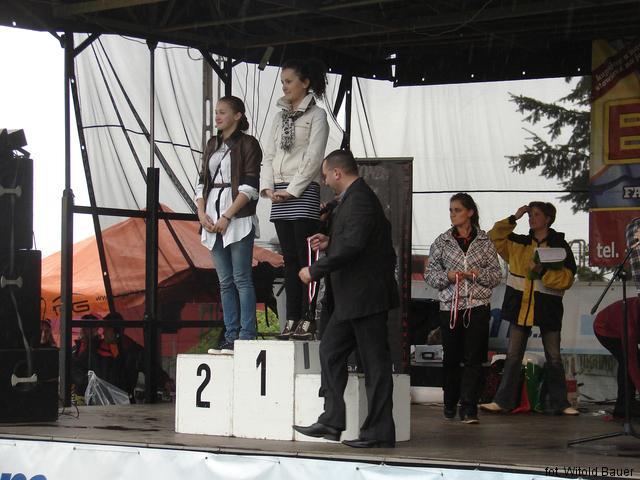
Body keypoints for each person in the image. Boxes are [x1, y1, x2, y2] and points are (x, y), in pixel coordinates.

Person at [293, 149, 398, 448]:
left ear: (337, 172)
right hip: (352, 298)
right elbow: (355, 240)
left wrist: (315, 270)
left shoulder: (361, 199)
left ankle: (379, 432)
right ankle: (332, 419)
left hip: (367, 296)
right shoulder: (351, 200)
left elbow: (353, 246)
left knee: (375, 365)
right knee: (329, 351)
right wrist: (330, 242)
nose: (325, 181)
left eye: (326, 175)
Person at [480, 202, 579, 415]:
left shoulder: (560, 247)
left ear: (548, 219)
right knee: (513, 356)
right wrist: (514, 217)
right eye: (529, 215)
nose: (531, 218)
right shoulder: (518, 242)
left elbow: (568, 279)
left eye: (536, 214)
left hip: (548, 308)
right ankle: (502, 401)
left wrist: (542, 271)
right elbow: (493, 237)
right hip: (520, 307)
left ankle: (561, 404)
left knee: (554, 357)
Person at [259, 58, 330, 339]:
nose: (284, 87)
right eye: (282, 82)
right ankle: (291, 318)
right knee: (288, 258)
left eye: (289, 81)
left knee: (305, 257)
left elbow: (314, 157)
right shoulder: (279, 117)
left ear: (305, 82)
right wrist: (267, 188)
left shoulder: (317, 115)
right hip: (278, 192)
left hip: (302, 190)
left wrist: (293, 190)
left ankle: (308, 317)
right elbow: (268, 155)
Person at [424, 193, 502, 423]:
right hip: (450, 307)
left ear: (470, 212)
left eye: (457, 210)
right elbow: (430, 275)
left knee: (474, 359)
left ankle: (469, 408)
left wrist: (479, 274)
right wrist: (448, 276)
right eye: (451, 210)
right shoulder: (442, 242)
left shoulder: (485, 242)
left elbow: (496, 275)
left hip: (477, 306)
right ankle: (450, 402)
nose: (453, 214)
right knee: (451, 358)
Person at [196, 95, 262, 353]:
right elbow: (201, 181)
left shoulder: (248, 144)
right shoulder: (212, 144)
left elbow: (250, 186)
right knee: (225, 281)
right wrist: (201, 213)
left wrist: (227, 216)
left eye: (222, 112)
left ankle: (246, 335)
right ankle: (230, 335)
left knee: (241, 277)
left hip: (237, 216)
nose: (217, 116)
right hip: (212, 213)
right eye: (216, 111)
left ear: (237, 115)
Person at [593, 297, 640, 418]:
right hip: (605, 328)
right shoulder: (629, 325)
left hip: (622, 323)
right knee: (627, 362)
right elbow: (632, 362)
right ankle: (623, 407)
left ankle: (628, 403)